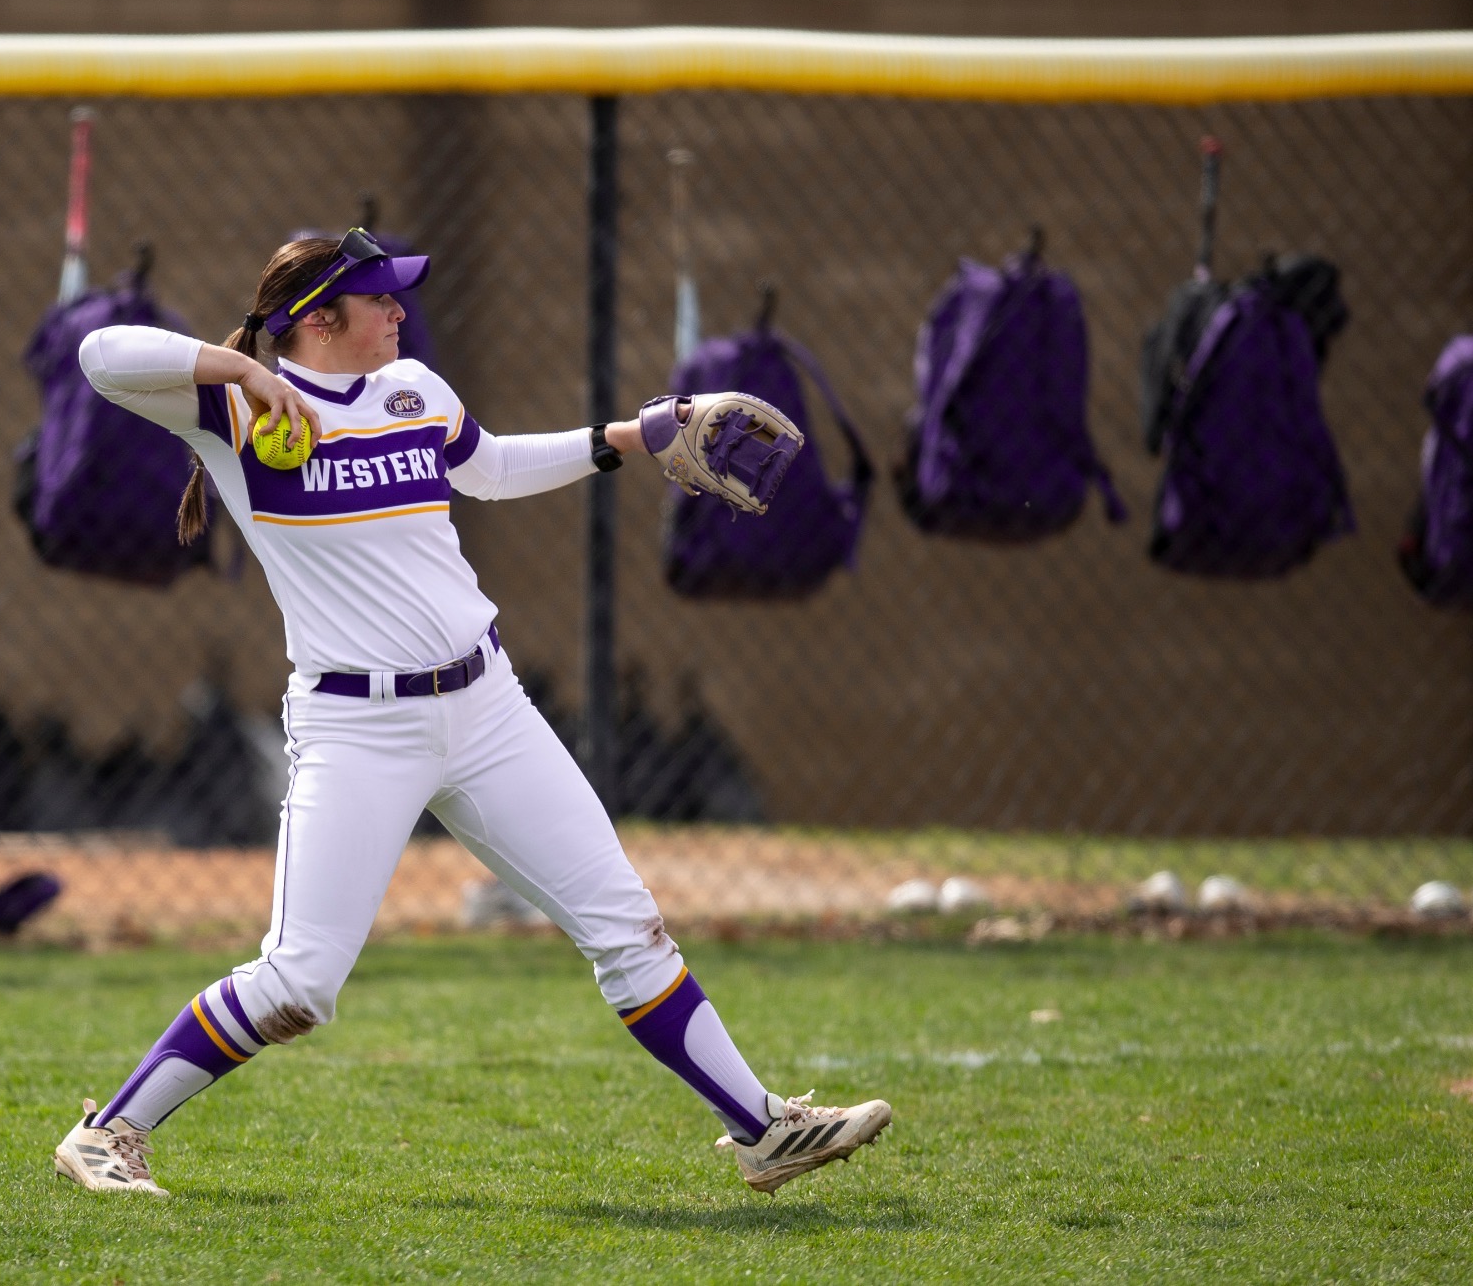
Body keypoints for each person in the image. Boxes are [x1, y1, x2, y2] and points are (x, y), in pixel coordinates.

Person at [51, 229, 889, 1197]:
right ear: (318, 319)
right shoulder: (231, 405)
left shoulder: (414, 388)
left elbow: (485, 467)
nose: (401, 312)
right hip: (357, 728)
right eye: (381, 299)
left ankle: (762, 1129)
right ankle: (109, 1131)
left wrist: (617, 442)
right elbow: (97, 357)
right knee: (299, 982)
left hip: (487, 706)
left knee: (627, 926)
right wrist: (243, 368)